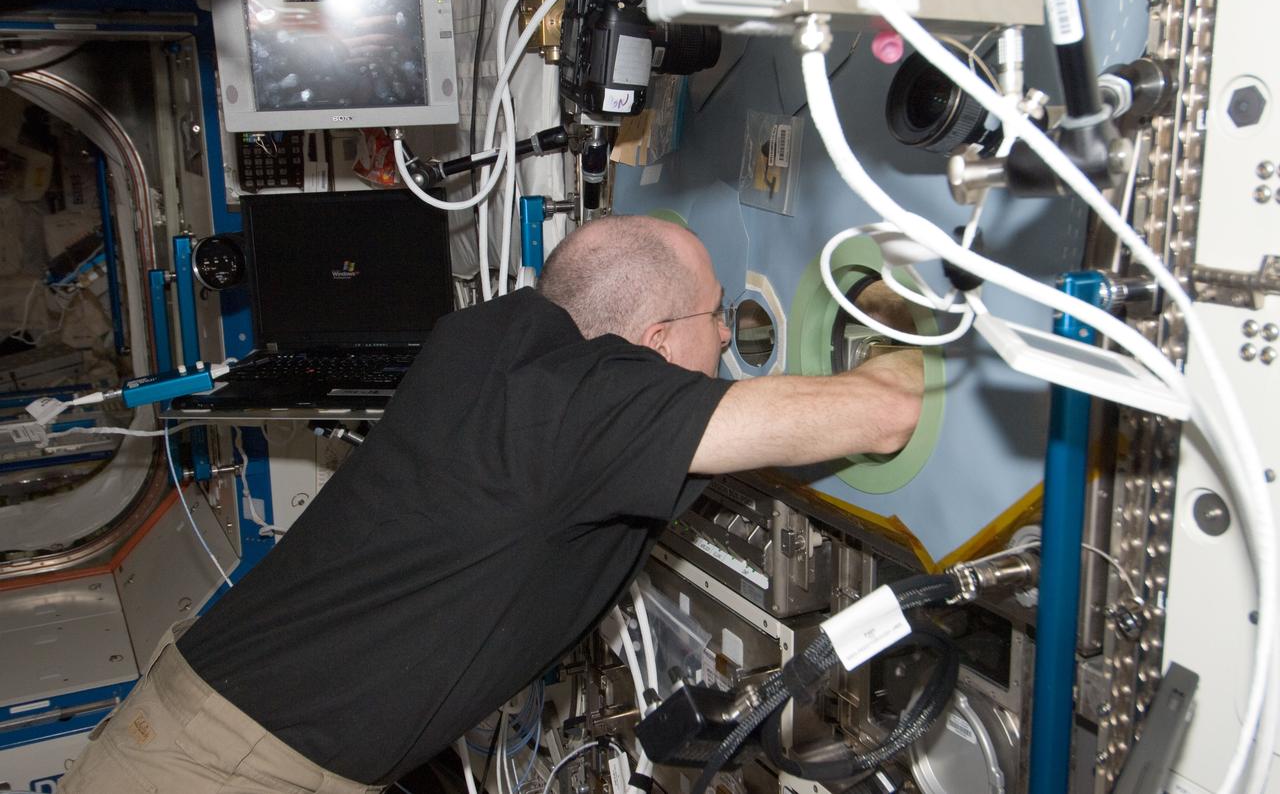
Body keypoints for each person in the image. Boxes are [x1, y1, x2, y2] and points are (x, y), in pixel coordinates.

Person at [58, 214, 922, 793]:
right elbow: (885, 414)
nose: (728, 338)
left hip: (206, 729)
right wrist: (903, 326)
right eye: (714, 321)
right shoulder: (578, 410)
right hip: (224, 768)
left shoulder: (490, 340)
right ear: (655, 344)